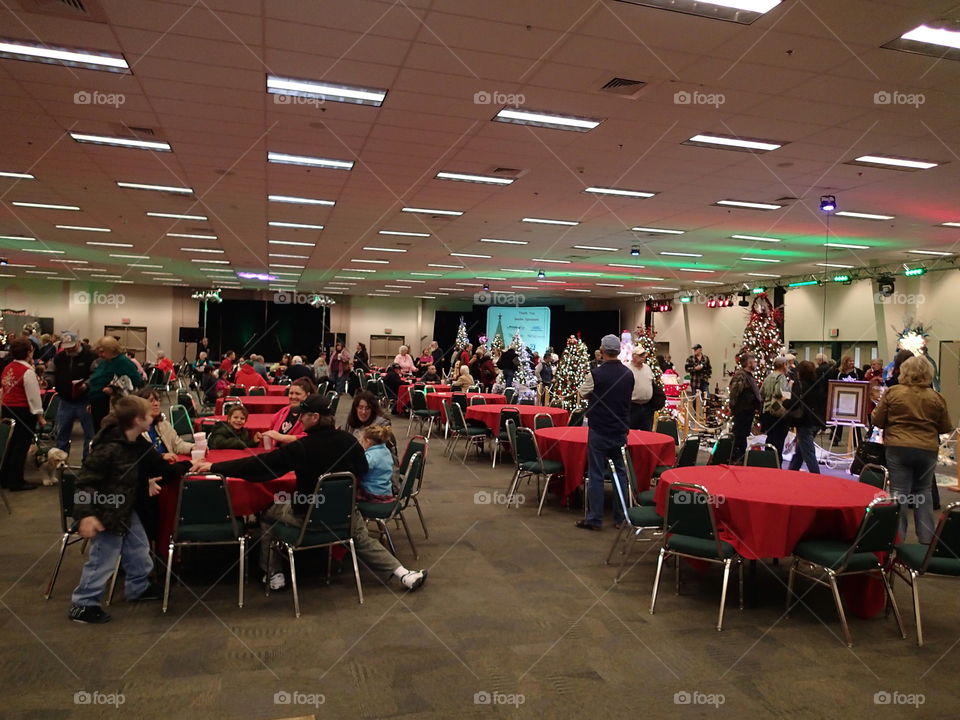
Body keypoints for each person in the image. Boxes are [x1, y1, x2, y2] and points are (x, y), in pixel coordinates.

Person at [191, 394, 427, 592]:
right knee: (362, 537)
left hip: (307, 516)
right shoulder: (349, 440)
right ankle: (404, 574)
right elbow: (362, 470)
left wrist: (214, 466)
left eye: (302, 415)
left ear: (314, 417)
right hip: (343, 514)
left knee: (267, 513)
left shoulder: (302, 447)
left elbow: (260, 467)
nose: (299, 419)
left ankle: (273, 573)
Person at [68, 395, 189, 623]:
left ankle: (138, 588)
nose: (155, 413)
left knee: (139, 550)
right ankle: (83, 604)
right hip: (106, 511)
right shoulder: (109, 447)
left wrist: (152, 480)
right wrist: (86, 515)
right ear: (137, 420)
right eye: (148, 413)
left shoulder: (134, 442)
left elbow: (148, 467)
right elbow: (85, 482)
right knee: (102, 559)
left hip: (125, 506)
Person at [872, 356, 953, 543]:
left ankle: (897, 538)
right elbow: (945, 427)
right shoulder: (936, 397)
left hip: (898, 447)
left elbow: (878, 421)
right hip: (927, 449)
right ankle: (926, 539)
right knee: (923, 492)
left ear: (904, 372)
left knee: (899, 492)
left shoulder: (893, 393)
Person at [576, 334, 635, 530]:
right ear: (618, 351)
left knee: (596, 474)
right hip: (619, 430)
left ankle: (595, 518)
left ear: (602, 351)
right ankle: (621, 518)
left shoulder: (595, 374)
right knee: (620, 473)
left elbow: (583, 393)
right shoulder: (628, 374)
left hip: (599, 429)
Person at [0, 338, 45, 492]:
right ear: (28, 352)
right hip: (22, 411)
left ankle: (5, 478)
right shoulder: (27, 371)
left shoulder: (8, 367)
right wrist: (39, 415)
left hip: (7, 409)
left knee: (9, 446)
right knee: (20, 446)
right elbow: (33, 396)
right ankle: (16, 481)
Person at [53, 332, 97, 462]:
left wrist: (87, 384)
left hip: (85, 400)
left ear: (79, 343)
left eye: (72, 346)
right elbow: (51, 372)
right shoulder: (59, 357)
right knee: (61, 434)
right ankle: (60, 463)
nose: (69, 350)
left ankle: (87, 463)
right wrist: (48, 381)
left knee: (90, 434)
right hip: (65, 400)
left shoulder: (91, 356)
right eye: (66, 347)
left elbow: (96, 375)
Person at [88, 336, 144, 431]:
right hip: (97, 404)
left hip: (111, 406)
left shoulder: (123, 362)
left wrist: (114, 389)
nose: (100, 354)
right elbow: (96, 379)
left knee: (108, 433)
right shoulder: (105, 362)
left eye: (102, 351)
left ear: (112, 350)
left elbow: (136, 383)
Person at [786, 360, 825, 473]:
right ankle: (792, 471)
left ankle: (816, 475)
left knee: (808, 451)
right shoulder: (818, 384)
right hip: (816, 420)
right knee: (800, 448)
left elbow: (795, 402)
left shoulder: (800, 385)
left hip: (804, 420)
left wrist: (784, 402)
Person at [135, 388, 194, 460]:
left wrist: (192, 448)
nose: (156, 404)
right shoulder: (137, 430)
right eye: (151, 401)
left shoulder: (164, 424)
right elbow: (140, 458)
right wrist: (161, 456)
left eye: (157, 400)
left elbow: (177, 445)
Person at [259, 377, 316, 446]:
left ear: (307, 395)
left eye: (297, 394)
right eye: (291, 393)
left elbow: (310, 439)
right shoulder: (283, 411)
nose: (293, 397)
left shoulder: (311, 416)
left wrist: (281, 437)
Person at [728, 353, 763, 463]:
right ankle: (735, 457)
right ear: (749, 363)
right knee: (739, 435)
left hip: (747, 412)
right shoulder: (741, 376)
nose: (756, 364)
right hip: (742, 411)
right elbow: (734, 393)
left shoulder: (748, 375)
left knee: (743, 435)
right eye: (754, 361)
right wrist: (734, 408)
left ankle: (741, 458)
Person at [759, 357, 792, 465]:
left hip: (767, 411)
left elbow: (761, 393)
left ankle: (767, 461)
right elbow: (779, 392)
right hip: (777, 412)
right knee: (778, 440)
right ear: (783, 366)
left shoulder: (768, 377)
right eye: (787, 365)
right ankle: (776, 464)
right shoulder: (781, 377)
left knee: (770, 438)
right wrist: (790, 387)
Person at [358, 424, 397, 502]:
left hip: (373, 493)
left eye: (362, 441)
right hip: (386, 492)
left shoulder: (371, 456)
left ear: (368, 441)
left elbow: (361, 469)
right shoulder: (386, 451)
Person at [628, 347, 655, 431]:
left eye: (644, 355)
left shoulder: (647, 368)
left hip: (647, 407)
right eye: (640, 355)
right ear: (634, 356)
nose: (643, 357)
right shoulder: (627, 368)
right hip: (632, 406)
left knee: (647, 432)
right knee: (631, 432)